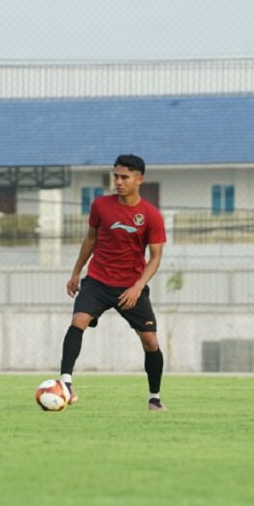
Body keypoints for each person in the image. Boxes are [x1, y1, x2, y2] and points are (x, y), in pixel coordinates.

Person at [58, 154, 167, 410]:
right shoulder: (100, 206)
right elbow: (90, 240)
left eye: (124, 177)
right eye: (115, 176)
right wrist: (76, 273)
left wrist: (138, 287)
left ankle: (155, 397)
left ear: (139, 179)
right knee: (78, 321)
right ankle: (65, 383)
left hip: (131, 286)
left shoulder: (150, 215)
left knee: (150, 341)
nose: (118, 181)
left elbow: (156, 257)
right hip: (97, 280)